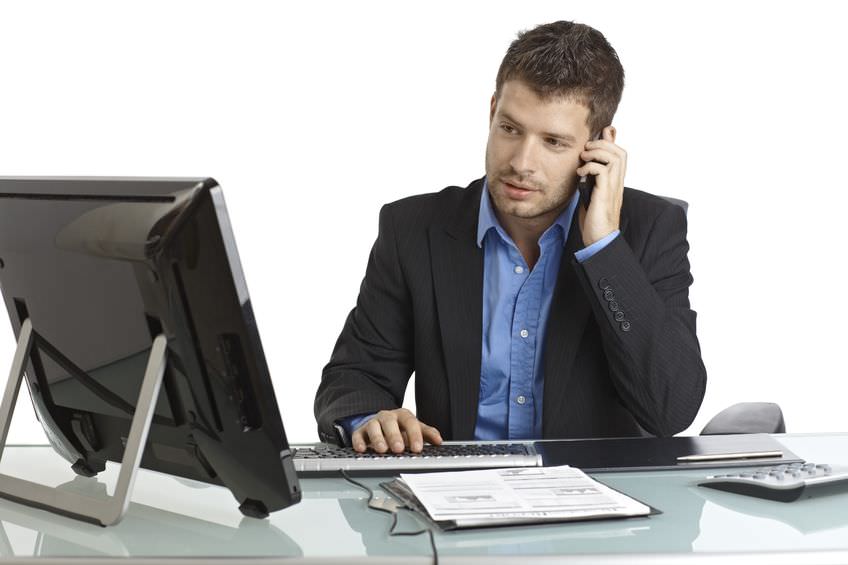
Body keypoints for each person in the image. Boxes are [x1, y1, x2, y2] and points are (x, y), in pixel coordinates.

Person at [314, 20, 707, 453]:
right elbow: (354, 377)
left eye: (554, 142)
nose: (522, 162)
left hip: (597, 502)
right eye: (510, 129)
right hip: (457, 497)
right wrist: (371, 418)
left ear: (599, 145)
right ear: (491, 111)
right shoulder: (412, 230)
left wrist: (603, 249)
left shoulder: (651, 229)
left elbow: (670, 409)